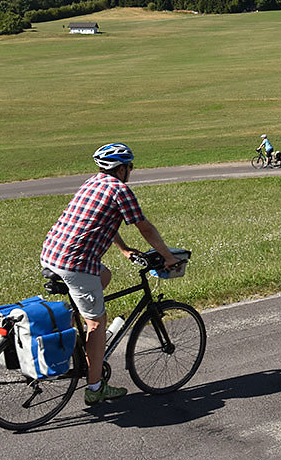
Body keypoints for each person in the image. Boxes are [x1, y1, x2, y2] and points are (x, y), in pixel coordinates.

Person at [40, 142, 179, 404]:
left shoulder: (93, 182)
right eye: (130, 166)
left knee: (104, 276)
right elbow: (145, 227)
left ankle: (77, 332)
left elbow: (101, 219)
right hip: (75, 263)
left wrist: (124, 249)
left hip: (51, 253)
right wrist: (168, 256)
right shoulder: (120, 190)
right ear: (122, 168)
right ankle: (95, 388)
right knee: (97, 322)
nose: (132, 171)